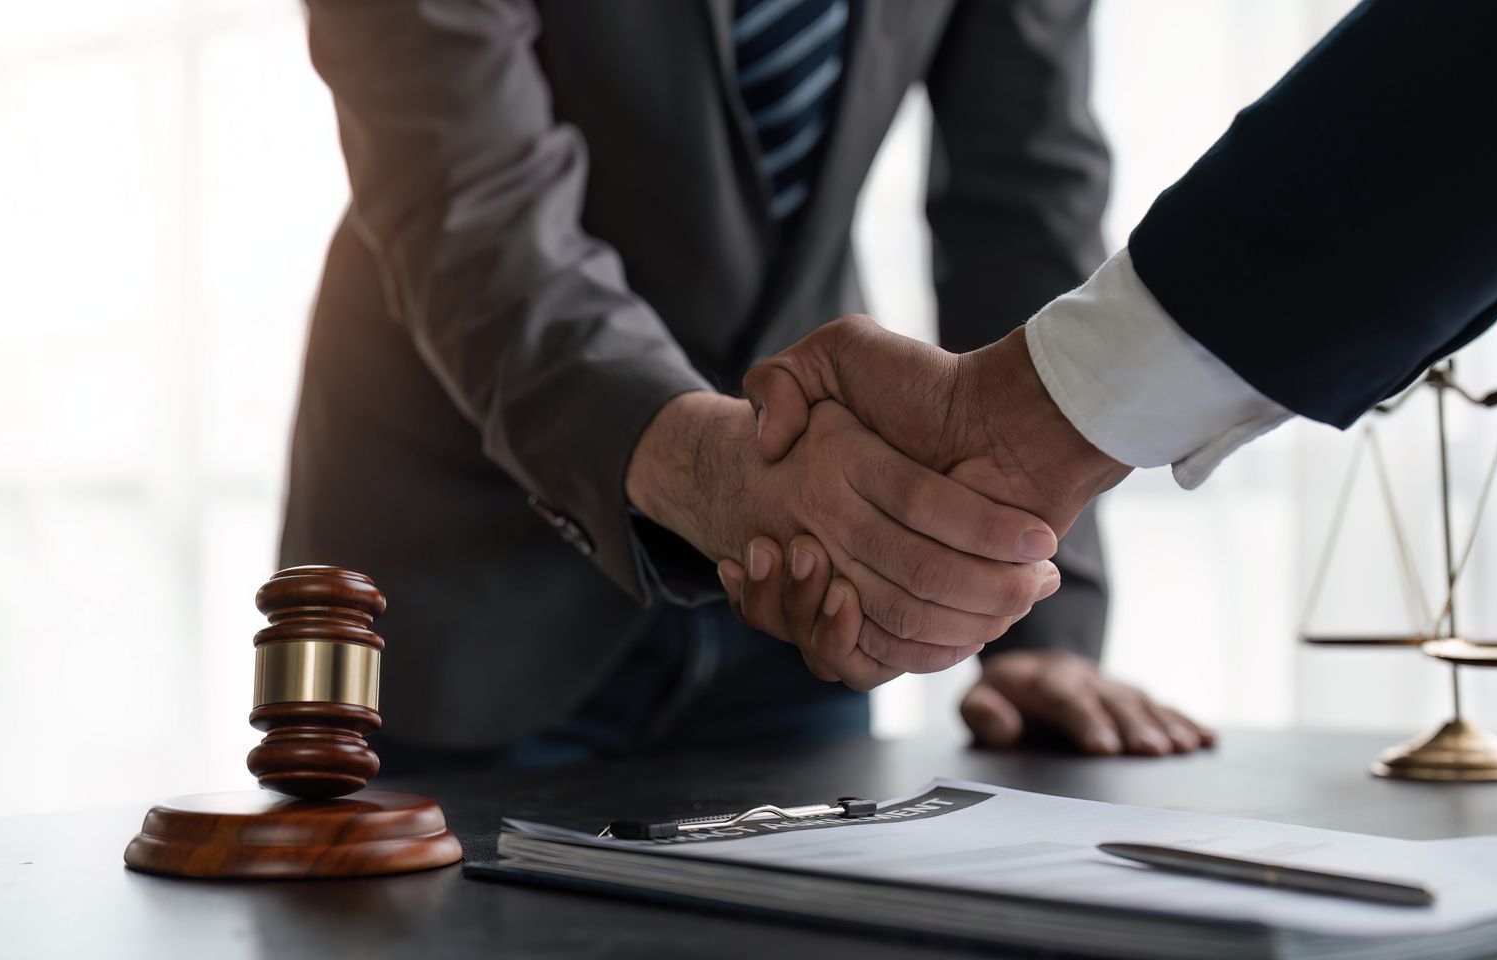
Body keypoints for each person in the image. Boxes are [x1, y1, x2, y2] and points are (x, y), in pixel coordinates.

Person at [280, 0, 1209, 771]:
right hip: (470, 569)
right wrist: (710, 472)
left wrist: (1039, 607)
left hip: (800, 601)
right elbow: (466, 202)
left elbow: (1023, 194)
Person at [729, 0, 1497, 654]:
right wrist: (693, 463)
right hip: (617, 575)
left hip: (819, 604)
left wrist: (1036, 610)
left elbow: (1021, 191)